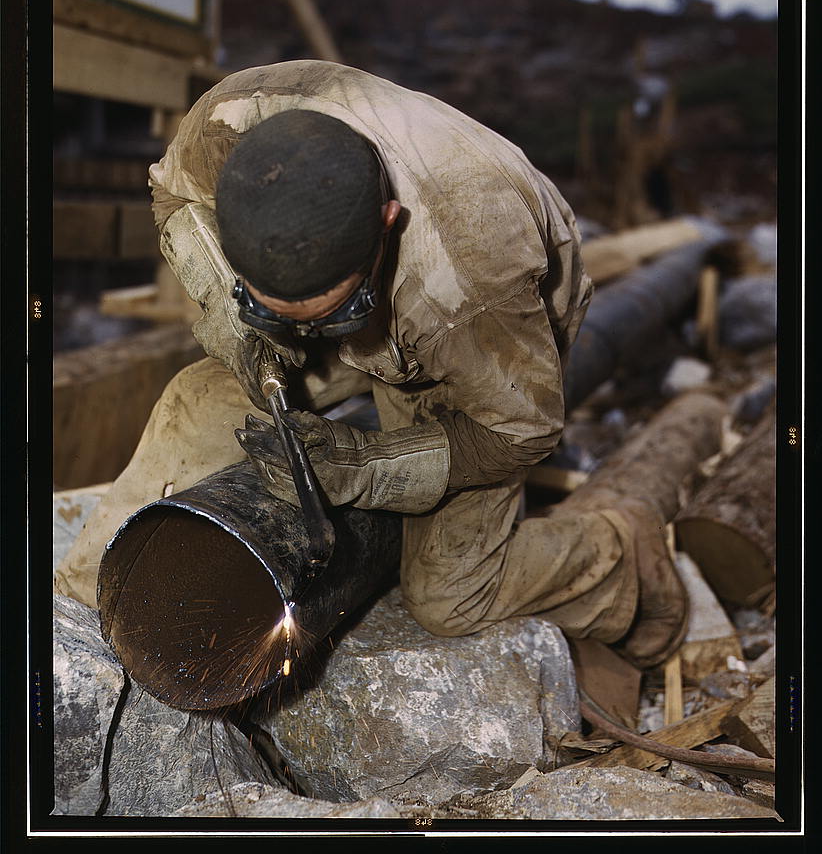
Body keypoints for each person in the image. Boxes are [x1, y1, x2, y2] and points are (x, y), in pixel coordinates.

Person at [54, 60, 686, 668]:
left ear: (388, 222)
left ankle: (621, 551)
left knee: (449, 595)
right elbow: (173, 199)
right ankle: (79, 610)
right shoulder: (223, 127)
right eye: (277, 310)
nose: (308, 337)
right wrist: (232, 312)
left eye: (335, 313)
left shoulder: (472, 281)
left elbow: (522, 433)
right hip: (372, 289)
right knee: (201, 397)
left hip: (477, 332)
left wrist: (366, 467)